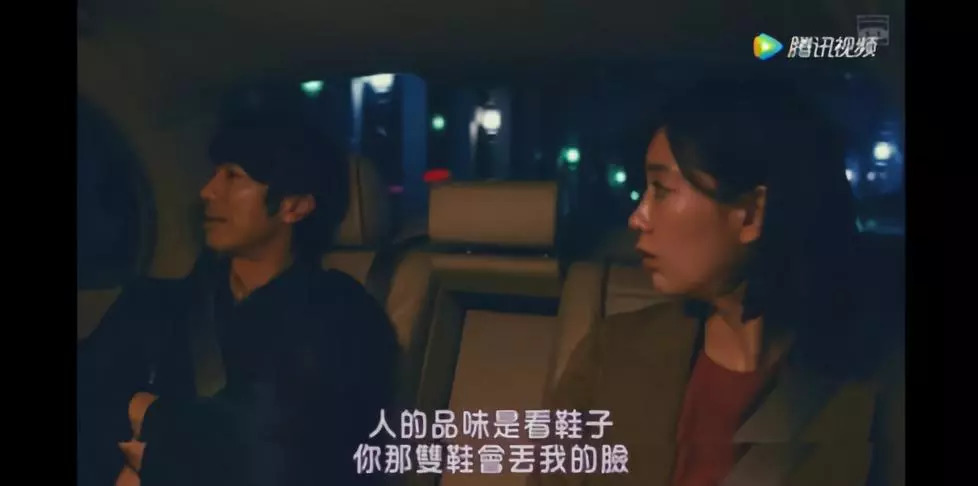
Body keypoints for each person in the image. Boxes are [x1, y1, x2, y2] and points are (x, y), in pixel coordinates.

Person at [533, 76, 904, 486]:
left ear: (752, 214)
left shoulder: (877, 381)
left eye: (661, 190)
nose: (637, 218)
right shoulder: (611, 354)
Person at [77, 86, 399, 486]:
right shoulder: (154, 304)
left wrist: (146, 420)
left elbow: (270, 457)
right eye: (215, 173)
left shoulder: (343, 318)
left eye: (234, 176)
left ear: (294, 206)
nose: (208, 190)